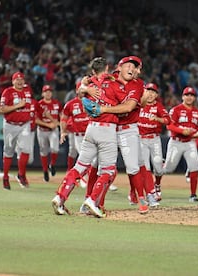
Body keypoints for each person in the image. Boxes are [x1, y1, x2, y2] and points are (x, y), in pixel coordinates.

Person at [51, 56, 125, 218]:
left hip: (90, 129)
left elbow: (80, 91)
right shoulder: (114, 83)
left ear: (92, 71)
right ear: (106, 69)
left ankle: (60, 197)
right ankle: (92, 200)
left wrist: (85, 87)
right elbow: (126, 104)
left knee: (79, 167)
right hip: (107, 130)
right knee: (109, 171)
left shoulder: (88, 84)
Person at [89, 56, 159, 213]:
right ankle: (95, 201)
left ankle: (141, 198)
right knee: (101, 167)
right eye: (131, 66)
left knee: (134, 166)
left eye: (137, 68)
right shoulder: (108, 79)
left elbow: (129, 107)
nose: (135, 70)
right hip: (109, 128)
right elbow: (85, 83)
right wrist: (85, 88)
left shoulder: (138, 84)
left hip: (128, 129)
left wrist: (105, 109)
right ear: (120, 67)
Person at [164, 86, 198, 202]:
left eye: (192, 95)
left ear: (194, 98)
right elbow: (169, 126)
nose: (189, 97)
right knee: (169, 169)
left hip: (190, 143)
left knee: (194, 167)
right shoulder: (176, 110)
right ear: (182, 97)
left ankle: (193, 195)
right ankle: (157, 183)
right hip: (176, 142)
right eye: (187, 95)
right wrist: (182, 131)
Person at [0, 71, 34, 190]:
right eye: (17, 79)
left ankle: (21, 174)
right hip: (10, 125)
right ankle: (5, 177)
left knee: (26, 150)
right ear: (12, 81)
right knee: (8, 151)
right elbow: (2, 109)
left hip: (24, 125)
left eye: (21, 79)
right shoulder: (7, 92)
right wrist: (18, 105)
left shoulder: (28, 90)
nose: (19, 81)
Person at [138, 83, 171, 200]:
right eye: (148, 91)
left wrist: (157, 118)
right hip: (141, 139)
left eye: (153, 92)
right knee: (145, 168)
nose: (150, 94)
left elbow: (168, 120)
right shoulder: (138, 104)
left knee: (158, 168)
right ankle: (150, 192)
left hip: (154, 139)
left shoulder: (159, 107)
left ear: (156, 94)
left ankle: (157, 185)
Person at [59, 82, 90, 171]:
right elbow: (64, 118)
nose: (83, 91)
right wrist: (63, 132)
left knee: (93, 158)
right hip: (77, 134)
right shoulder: (70, 104)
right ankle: (73, 173)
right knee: (80, 155)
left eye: (85, 88)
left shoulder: (93, 102)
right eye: (81, 89)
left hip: (90, 134)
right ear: (77, 90)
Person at [37, 84, 62, 182]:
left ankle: (52, 164)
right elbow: (35, 120)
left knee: (55, 149)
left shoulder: (56, 103)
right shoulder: (39, 104)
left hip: (53, 130)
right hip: (42, 130)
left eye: (50, 91)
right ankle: (45, 171)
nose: (48, 93)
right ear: (42, 93)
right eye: (46, 91)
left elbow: (62, 115)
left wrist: (59, 123)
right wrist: (48, 124)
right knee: (43, 151)